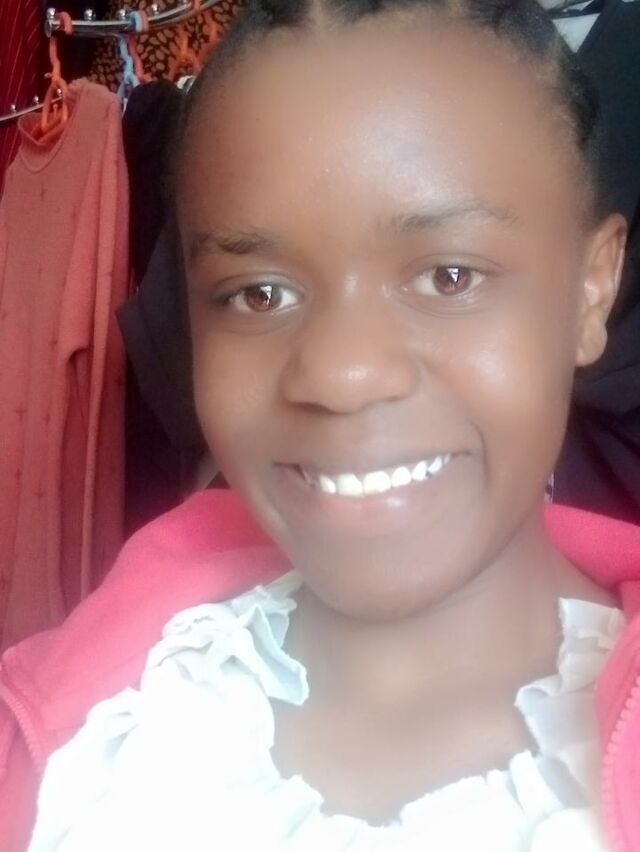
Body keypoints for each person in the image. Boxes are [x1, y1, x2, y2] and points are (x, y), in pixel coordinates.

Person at [2, 0, 640, 848]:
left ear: (592, 290)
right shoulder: (88, 734)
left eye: (449, 277)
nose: (340, 374)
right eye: (259, 293)